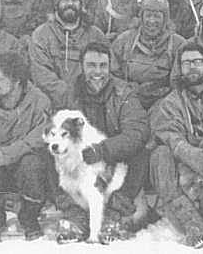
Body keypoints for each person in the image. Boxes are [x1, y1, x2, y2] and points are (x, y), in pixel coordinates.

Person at [58, 41, 150, 242]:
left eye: (103, 66)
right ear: (82, 66)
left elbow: (137, 132)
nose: (97, 72)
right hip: (81, 160)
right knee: (52, 151)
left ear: (110, 67)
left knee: (142, 153)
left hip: (113, 157)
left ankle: (115, 212)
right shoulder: (70, 93)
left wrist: (103, 150)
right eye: (91, 65)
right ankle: (75, 212)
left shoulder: (124, 93)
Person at [149, 42, 203, 248]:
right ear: (179, 68)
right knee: (160, 154)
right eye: (186, 62)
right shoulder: (170, 101)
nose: (192, 67)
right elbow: (168, 133)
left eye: (197, 61)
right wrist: (189, 154)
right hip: (185, 165)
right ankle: (192, 224)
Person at [0, 52, 53, 242]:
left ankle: (29, 218)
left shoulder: (40, 102)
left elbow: (40, 138)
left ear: (17, 82)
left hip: (26, 168)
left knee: (33, 163)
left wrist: (6, 154)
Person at [30, 0, 107, 108]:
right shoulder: (41, 35)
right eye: (65, 0)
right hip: (53, 105)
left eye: (75, 0)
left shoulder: (95, 35)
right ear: (56, 4)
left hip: (92, 103)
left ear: (81, 5)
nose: (70, 4)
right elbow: (43, 78)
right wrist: (74, 100)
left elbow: (109, 70)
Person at [110, 0, 186, 110]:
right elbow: (112, 74)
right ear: (141, 17)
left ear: (165, 19)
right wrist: (130, 89)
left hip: (165, 105)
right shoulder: (124, 41)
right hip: (129, 101)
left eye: (157, 16)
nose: (152, 21)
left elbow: (180, 83)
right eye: (148, 15)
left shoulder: (178, 44)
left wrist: (161, 93)